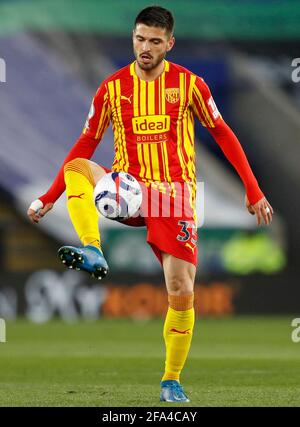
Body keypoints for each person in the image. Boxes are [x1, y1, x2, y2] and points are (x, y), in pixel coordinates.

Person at [27, 6, 273, 403]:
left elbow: (223, 134)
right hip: (125, 190)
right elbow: (87, 142)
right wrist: (48, 197)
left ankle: (171, 379)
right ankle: (92, 248)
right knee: (77, 164)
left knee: (181, 290)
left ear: (169, 44)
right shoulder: (112, 88)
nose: (145, 47)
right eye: (140, 39)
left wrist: (253, 188)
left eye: (155, 41)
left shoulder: (191, 85)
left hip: (172, 196)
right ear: (133, 37)